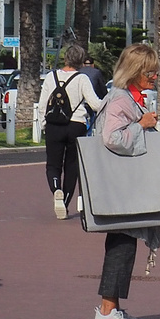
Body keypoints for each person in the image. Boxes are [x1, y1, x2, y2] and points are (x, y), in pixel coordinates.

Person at [90, 44, 160, 319]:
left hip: (122, 187)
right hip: (121, 188)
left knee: (124, 243)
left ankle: (113, 309)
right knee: (121, 245)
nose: (155, 76)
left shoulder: (128, 98)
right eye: (150, 71)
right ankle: (107, 310)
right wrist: (142, 125)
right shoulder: (121, 100)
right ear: (135, 71)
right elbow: (112, 138)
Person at [39, 44, 107, 219]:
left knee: (53, 165)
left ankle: (56, 190)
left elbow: (42, 105)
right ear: (81, 62)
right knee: (72, 167)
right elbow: (96, 104)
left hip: (54, 125)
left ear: (65, 58)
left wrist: (43, 126)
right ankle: (65, 204)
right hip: (76, 126)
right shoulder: (82, 79)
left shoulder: (50, 77)